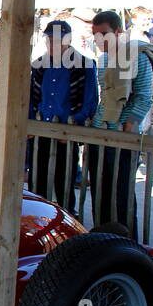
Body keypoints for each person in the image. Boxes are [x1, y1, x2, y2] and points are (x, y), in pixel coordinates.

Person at [86, 10, 153, 236]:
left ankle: (126, 240)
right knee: (100, 189)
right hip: (101, 130)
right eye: (95, 35)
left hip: (122, 134)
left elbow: (144, 95)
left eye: (104, 34)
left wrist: (130, 126)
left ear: (118, 32)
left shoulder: (138, 55)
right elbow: (105, 95)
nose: (99, 40)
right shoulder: (104, 59)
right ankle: (102, 237)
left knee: (122, 192)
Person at [27, 20, 98, 209]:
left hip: (66, 132)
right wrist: (31, 123)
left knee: (63, 183)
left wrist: (74, 126)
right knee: (37, 181)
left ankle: (66, 218)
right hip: (40, 129)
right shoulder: (40, 64)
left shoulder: (84, 65)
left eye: (56, 40)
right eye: (49, 39)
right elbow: (31, 97)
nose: (52, 44)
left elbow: (90, 101)